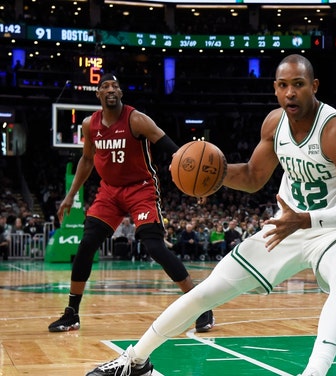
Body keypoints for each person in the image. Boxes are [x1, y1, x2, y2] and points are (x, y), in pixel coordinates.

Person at [85, 54, 336, 376]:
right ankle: (135, 360)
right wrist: (214, 174)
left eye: (298, 85)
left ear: (314, 86)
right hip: (288, 227)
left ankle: (315, 372)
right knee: (208, 290)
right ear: (275, 89)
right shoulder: (274, 123)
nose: (290, 93)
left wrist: (309, 219)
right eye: (283, 86)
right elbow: (254, 176)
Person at [48, 74, 214, 334]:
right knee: (87, 244)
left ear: (121, 92)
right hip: (109, 192)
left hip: (141, 188)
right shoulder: (89, 125)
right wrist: (70, 194)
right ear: (98, 95)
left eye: (115, 85)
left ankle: (200, 304)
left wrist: (196, 184)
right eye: (105, 86)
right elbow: (87, 160)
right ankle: (71, 313)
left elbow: (174, 150)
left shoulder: (137, 119)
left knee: (154, 246)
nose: (111, 89)